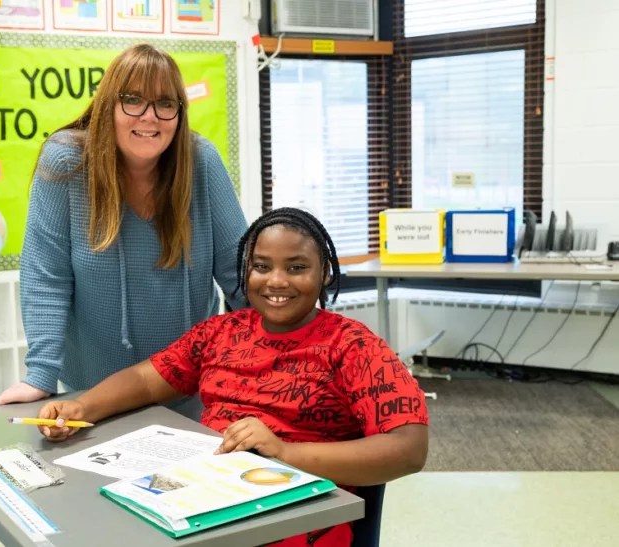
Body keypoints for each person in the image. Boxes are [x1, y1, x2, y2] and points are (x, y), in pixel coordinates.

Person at [36, 207, 429, 547]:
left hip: (297, 517)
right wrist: (81, 406)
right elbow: (146, 379)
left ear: (324, 274)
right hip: (205, 500)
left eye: (296, 267)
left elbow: (409, 448)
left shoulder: (353, 346)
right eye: (261, 266)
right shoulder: (222, 332)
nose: (276, 281)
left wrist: (284, 453)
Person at [0, 44, 247, 407]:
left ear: (179, 113)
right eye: (133, 100)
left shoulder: (200, 162)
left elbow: (240, 273)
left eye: (165, 103)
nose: (149, 117)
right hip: (92, 393)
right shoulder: (67, 162)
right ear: (108, 104)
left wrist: (271, 361)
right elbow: (46, 277)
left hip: (188, 387)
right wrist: (40, 374)